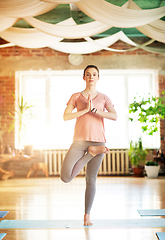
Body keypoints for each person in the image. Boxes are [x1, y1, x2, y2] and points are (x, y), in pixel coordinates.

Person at [60, 65, 117, 226]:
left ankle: (87, 216)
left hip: (98, 140)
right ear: (83, 77)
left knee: (91, 179)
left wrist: (95, 110)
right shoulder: (76, 96)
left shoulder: (104, 97)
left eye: (94, 74)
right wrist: (85, 110)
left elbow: (114, 116)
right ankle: (91, 153)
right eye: (88, 74)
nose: (91, 76)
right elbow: (66, 116)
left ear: (98, 77)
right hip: (79, 141)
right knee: (65, 177)